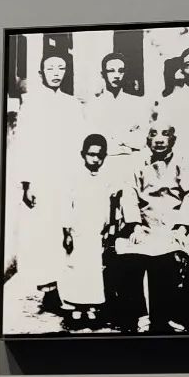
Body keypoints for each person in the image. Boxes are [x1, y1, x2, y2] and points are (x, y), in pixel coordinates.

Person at [12, 50, 84, 310]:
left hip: (67, 174)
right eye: (51, 68)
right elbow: (24, 143)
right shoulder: (32, 104)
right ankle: (50, 291)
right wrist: (27, 184)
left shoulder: (72, 104)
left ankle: (69, 286)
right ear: (42, 73)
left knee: (67, 227)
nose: (56, 73)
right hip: (42, 176)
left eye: (61, 68)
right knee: (44, 230)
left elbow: (79, 141)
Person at [113, 120, 189, 333]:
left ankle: (166, 315)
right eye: (154, 134)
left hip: (173, 227)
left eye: (165, 134)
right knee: (130, 259)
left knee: (173, 262)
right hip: (144, 226)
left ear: (173, 140)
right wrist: (134, 225)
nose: (159, 139)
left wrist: (182, 226)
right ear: (147, 140)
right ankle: (142, 315)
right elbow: (129, 194)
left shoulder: (183, 163)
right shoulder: (137, 164)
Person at [58, 134, 118, 329]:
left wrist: (109, 228)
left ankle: (92, 306)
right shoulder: (74, 178)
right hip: (78, 231)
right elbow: (67, 206)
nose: (95, 159)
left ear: (105, 156)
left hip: (96, 232)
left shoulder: (107, 179)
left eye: (100, 155)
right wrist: (67, 232)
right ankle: (75, 307)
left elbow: (110, 206)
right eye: (91, 154)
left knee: (94, 270)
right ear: (83, 154)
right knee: (75, 268)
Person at [84, 52, 145, 181]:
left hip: (132, 166)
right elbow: (93, 143)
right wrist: (127, 139)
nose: (117, 75)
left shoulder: (136, 103)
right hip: (103, 167)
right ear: (103, 74)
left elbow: (142, 141)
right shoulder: (93, 106)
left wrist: (114, 138)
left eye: (121, 71)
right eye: (111, 71)